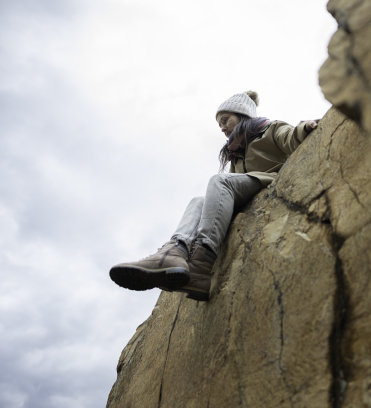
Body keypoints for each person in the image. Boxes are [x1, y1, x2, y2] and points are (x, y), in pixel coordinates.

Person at [109, 91, 319, 301]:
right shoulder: (237, 155)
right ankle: (174, 251)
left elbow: (290, 137)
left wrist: (305, 128)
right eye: (220, 124)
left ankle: (201, 261)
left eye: (225, 120)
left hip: (269, 181)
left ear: (242, 115)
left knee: (219, 180)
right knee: (197, 201)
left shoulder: (269, 129)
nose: (222, 127)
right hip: (247, 192)